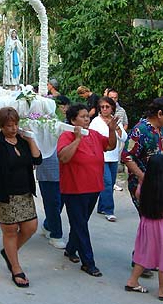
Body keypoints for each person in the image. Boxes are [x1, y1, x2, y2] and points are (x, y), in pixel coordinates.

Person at [0, 107, 42, 288]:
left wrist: (30, 139)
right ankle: (15, 268)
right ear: (1, 126)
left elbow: (37, 160)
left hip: (24, 193)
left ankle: (9, 252)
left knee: (31, 227)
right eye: (9, 126)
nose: (14, 128)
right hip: (4, 194)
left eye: (16, 124)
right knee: (10, 231)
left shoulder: (22, 141)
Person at [57, 103, 117, 277]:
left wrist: (111, 130)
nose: (86, 119)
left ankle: (70, 249)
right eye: (82, 116)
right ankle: (88, 263)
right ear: (73, 119)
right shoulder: (67, 135)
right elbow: (63, 157)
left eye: (87, 116)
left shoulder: (94, 135)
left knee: (81, 222)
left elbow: (110, 146)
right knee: (81, 225)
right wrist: (77, 139)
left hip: (93, 187)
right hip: (74, 189)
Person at [122, 97, 163, 278]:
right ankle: (140, 260)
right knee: (150, 223)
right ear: (160, 114)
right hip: (142, 185)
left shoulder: (159, 130)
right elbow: (127, 156)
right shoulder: (140, 130)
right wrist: (143, 178)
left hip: (158, 185)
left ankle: (148, 259)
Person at [125, 154, 163, 298]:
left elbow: (139, 195)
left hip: (146, 223)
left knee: (144, 253)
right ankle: (161, 291)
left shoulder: (144, 184)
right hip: (160, 225)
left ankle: (132, 281)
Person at [89, 97, 127, 222]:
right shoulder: (96, 122)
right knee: (107, 183)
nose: (105, 109)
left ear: (112, 108)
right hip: (102, 157)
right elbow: (92, 138)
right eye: (102, 107)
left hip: (113, 157)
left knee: (110, 184)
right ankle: (109, 210)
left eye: (107, 107)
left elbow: (124, 138)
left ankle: (101, 207)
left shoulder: (115, 121)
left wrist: (116, 128)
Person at [36, 149, 66, 249]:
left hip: (65, 169)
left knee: (60, 202)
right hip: (48, 169)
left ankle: (48, 225)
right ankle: (56, 235)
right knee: (52, 204)